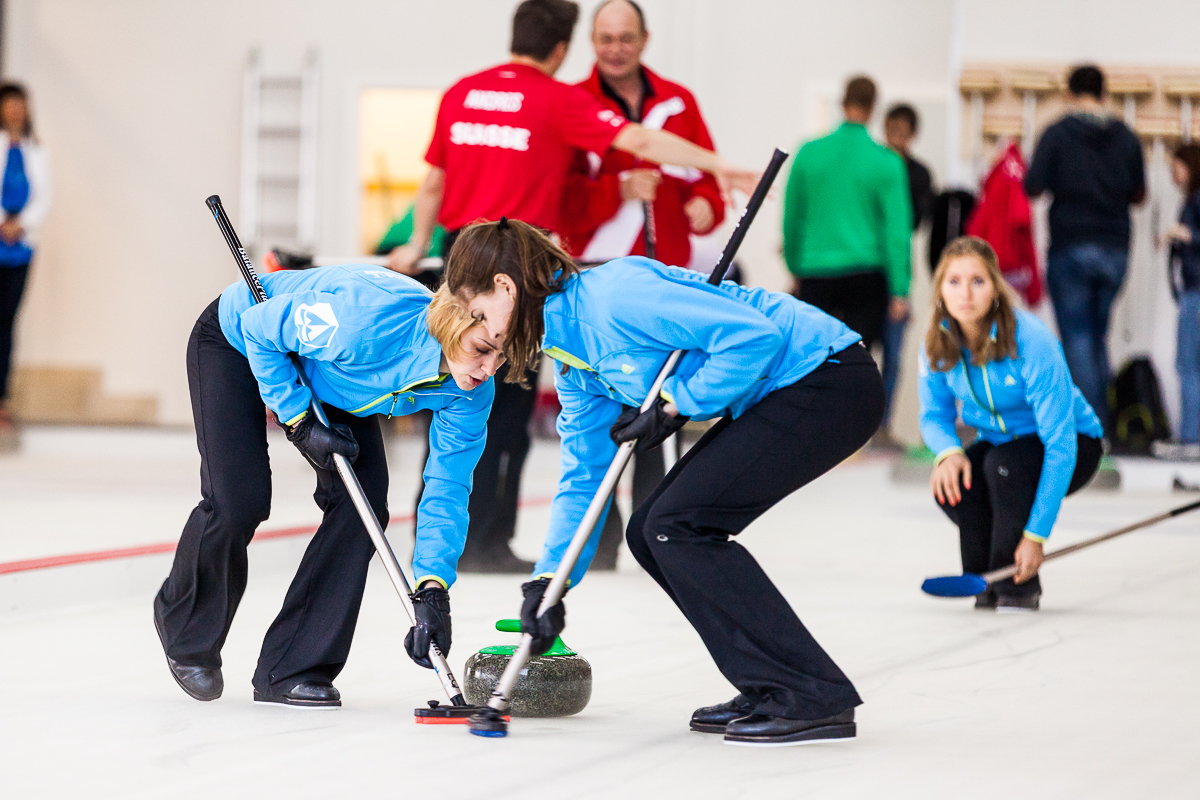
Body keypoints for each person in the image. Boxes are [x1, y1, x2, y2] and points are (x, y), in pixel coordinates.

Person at [446, 219, 884, 747]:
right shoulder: (572, 358)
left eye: (478, 312)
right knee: (650, 529)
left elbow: (754, 337)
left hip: (826, 376)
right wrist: (549, 583)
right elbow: (584, 477)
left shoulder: (614, 296)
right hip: (784, 391)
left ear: (506, 287)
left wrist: (679, 406)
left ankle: (812, 693)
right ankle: (768, 684)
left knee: (678, 524)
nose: (484, 329)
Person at [387, 0, 758, 573]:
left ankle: (440, 543)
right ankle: (484, 541)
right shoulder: (557, 99)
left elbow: (433, 181)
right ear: (562, 49)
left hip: (460, 263)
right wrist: (721, 166)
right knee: (503, 412)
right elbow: (643, 142)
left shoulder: (462, 92)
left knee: (452, 395)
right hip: (513, 269)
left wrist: (414, 246)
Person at [153, 268, 500, 707]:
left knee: (363, 508)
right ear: (453, 325)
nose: (489, 370)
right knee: (240, 499)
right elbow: (260, 329)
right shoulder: (365, 321)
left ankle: (292, 667)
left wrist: (433, 585)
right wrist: (297, 419)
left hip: (336, 377)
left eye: (500, 355)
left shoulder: (471, 392)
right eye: (481, 350)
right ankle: (184, 624)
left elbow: (448, 486)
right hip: (238, 341)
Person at [560, 0, 727, 566]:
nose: (615, 49)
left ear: (645, 39)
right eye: (605, 38)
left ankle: (656, 537)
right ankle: (597, 547)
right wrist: (618, 191)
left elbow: (707, 178)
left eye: (625, 37)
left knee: (662, 407)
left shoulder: (679, 103)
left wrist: (707, 204)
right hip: (596, 281)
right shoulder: (574, 105)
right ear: (591, 40)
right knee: (599, 412)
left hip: (664, 283)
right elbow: (562, 204)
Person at [919, 237, 1104, 612]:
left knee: (1002, 467)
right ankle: (983, 583)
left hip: (1075, 444)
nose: (965, 293)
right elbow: (933, 415)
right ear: (939, 290)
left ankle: (1019, 587)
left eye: (978, 280)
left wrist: (1036, 535)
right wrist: (948, 452)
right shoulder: (938, 343)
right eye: (953, 281)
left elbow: (1061, 445)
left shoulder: (1033, 341)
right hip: (1003, 443)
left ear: (996, 289)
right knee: (960, 481)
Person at [1025, 64, 1146, 437]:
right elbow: (1139, 194)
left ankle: (1093, 434)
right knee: (1096, 339)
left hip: (1071, 246)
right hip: (1115, 249)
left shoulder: (1057, 134)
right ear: (1104, 93)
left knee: (1078, 339)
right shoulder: (1126, 136)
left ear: (1068, 93)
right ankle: (1101, 427)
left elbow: (1033, 186)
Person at [783, 75, 912, 354]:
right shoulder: (887, 162)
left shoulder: (808, 153)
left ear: (842, 103)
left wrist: (794, 266)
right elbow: (897, 231)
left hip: (815, 271)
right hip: (866, 276)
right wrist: (900, 289)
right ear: (873, 107)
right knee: (857, 361)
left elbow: (791, 217)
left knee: (811, 362)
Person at [874, 102, 934, 449]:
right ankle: (856, 427)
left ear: (912, 134)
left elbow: (915, 222)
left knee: (894, 356)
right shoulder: (873, 165)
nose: (896, 138)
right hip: (867, 271)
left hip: (897, 273)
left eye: (902, 132)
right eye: (891, 130)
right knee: (862, 351)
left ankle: (882, 427)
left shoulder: (919, 174)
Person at [0, 82, 51, 446]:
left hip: (20, 248)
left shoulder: (37, 150)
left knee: (6, 322)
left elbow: (45, 194)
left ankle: (2, 399)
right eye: (9, 104)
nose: (15, 110)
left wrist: (21, 224)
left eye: (21, 104)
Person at [1158, 143, 1200, 458]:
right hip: (1191, 289)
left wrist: (1182, 234)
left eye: (1177, 166)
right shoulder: (1191, 199)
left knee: (1187, 364)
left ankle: (1190, 438)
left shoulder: (1196, 200)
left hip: (1196, 290)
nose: (1174, 173)